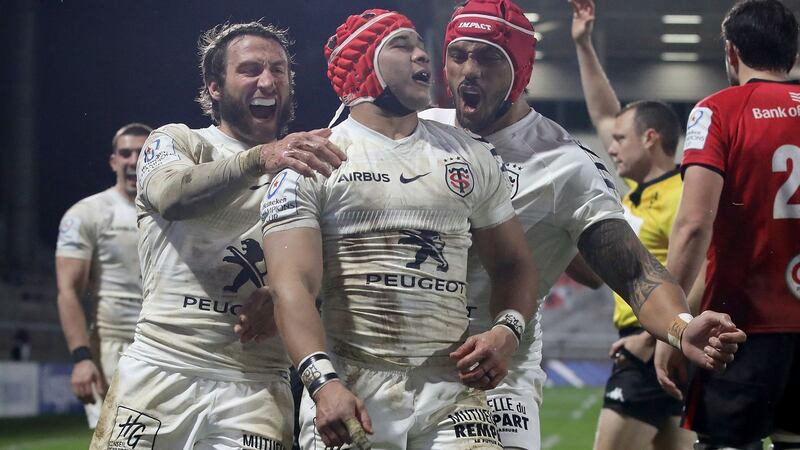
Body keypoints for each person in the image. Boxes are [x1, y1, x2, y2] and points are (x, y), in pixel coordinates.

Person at [420, 0, 746, 449]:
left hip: (495, 377)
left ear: (521, 68)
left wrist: (681, 326)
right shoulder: (417, 131)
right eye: (459, 55)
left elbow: (630, 271)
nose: (469, 70)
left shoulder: (565, 166)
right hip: (402, 359)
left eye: (490, 57)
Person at [259, 9, 538, 450]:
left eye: (421, 46)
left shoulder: (470, 155)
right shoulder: (313, 159)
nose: (422, 55)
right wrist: (322, 383)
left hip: (451, 389)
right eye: (402, 45)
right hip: (351, 384)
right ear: (363, 62)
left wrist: (508, 330)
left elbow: (513, 264)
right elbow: (291, 285)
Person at [89, 21, 346, 449]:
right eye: (250, 69)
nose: (267, 80)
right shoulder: (177, 140)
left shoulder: (309, 165)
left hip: (257, 382)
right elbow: (172, 195)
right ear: (214, 87)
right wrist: (262, 158)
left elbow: (338, 265)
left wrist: (288, 294)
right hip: (161, 368)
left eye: (278, 70)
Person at [656, 1, 800, 449]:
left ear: (731, 52)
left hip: (738, 330)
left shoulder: (715, 111)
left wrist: (672, 324)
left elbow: (694, 225)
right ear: (792, 55)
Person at [569, 0, 696, 447]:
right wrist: (583, 45)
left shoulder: (684, 193)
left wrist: (649, 336)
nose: (611, 146)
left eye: (621, 139)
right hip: (662, 341)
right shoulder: (637, 194)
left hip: (656, 339)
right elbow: (606, 116)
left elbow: (701, 268)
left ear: (651, 138)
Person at [55, 122, 152, 428]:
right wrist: (82, 357)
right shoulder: (87, 213)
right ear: (114, 162)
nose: (134, 160)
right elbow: (68, 290)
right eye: (125, 153)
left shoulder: (176, 214)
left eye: (143, 152)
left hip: (168, 345)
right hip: (113, 348)